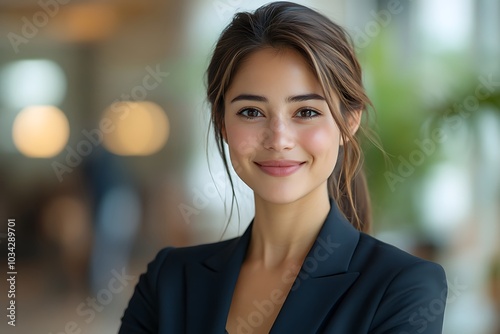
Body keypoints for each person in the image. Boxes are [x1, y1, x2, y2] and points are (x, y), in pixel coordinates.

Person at [119, 2, 447, 333]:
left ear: (349, 121)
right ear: (221, 123)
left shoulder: (402, 287)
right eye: (251, 112)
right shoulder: (169, 281)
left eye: (305, 112)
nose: (279, 140)